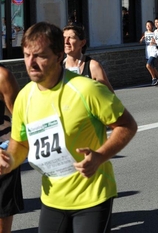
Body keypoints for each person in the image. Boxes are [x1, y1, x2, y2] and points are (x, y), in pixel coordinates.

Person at [0, 22, 138, 232]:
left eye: (40, 56)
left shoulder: (87, 89)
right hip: (52, 198)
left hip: (92, 196)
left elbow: (127, 125)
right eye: (27, 55)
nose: (31, 63)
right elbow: (21, 142)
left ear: (57, 56)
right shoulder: (25, 97)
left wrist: (100, 156)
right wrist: (9, 161)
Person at [0, 64, 23, 233]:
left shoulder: (3, 76)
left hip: (2, 153)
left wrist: (10, 148)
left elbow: (21, 119)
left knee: (2, 210)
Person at [63, 25, 114, 93]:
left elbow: (110, 96)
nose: (66, 41)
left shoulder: (93, 66)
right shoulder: (57, 66)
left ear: (82, 43)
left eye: (71, 38)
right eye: (64, 38)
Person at [140, 20, 158, 86]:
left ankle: (154, 78)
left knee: (148, 65)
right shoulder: (145, 33)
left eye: (149, 25)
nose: (148, 26)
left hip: (154, 51)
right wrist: (142, 39)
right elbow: (140, 41)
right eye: (146, 25)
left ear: (152, 26)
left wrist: (154, 42)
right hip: (148, 51)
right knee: (153, 66)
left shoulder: (155, 33)